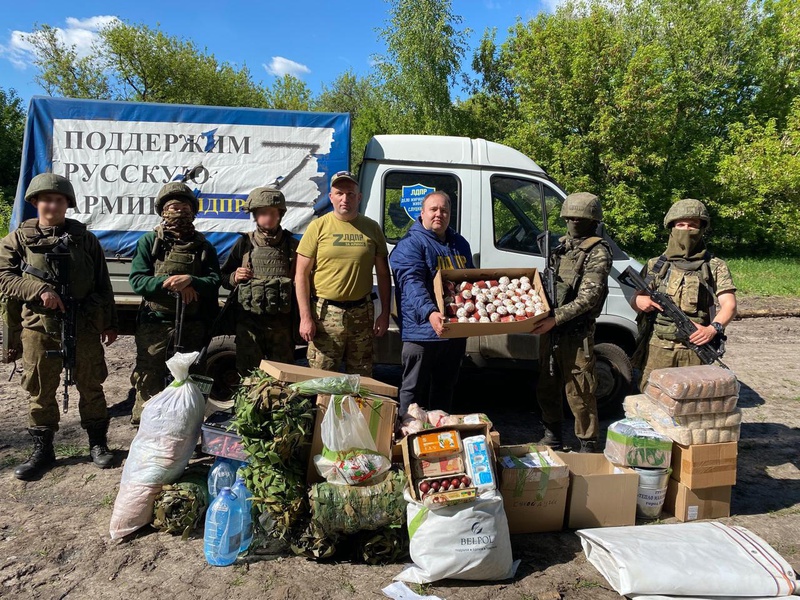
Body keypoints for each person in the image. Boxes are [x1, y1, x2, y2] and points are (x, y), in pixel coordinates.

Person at [0, 173, 118, 479]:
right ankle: (43, 450)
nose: (52, 205)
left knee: (91, 384)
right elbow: (4, 277)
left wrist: (108, 322)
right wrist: (38, 291)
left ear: (67, 204)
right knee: (40, 389)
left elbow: (103, 285)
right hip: (39, 326)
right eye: (46, 199)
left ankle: (97, 443)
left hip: (84, 325)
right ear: (36, 203)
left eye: (59, 200)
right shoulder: (17, 239)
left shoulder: (85, 239)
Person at [128, 181, 221, 424]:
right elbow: (137, 281)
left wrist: (191, 281)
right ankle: (146, 431)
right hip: (155, 326)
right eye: (172, 207)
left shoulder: (203, 247)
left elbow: (213, 281)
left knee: (192, 383)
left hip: (192, 326)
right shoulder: (150, 242)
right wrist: (168, 283)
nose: (178, 212)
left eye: (184, 207)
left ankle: (189, 429)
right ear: (162, 211)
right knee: (149, 380)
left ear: (193, 212)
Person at [531, 192, 612, 453]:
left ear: (592, 220)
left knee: (580, 392)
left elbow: (589, 297)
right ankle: (552, 434)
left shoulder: (598, 252)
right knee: (547, 384)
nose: (574, 222)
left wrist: (556, 318)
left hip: (576, 333)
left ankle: (587, 444)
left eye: (579, 218)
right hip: (552, 329)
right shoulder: (562, 247)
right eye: (570, 217)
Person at [631, 198, 737, 386]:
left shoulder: (714, 266)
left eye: (692, 225)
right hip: (658, 347)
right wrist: (639, 302)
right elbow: (636, 298)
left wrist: (712, 330)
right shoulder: (656, 265)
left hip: (695, 349)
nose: (686, 230)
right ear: (671, 228)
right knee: (653, 399)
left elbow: (729, 305)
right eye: (680, 225)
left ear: (702, 229)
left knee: (693, 401)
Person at [295, 170, 390, 376]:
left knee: (362, 379)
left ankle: (356, 410)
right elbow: (301, 275)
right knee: (323, 379)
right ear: (331, 197)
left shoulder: (372, 228)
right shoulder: (318, 227)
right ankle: (322, 410)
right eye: (339, 193)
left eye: (350, 193)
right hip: (325, 314)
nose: (345, 198)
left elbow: (383, 274)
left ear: (359, 197)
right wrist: (305, 318)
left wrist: (384, 314)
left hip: (362, 314)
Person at [389, 191, 473, 415]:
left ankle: (438, 437)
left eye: (444, 210)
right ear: (422, 213)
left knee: (444, 389)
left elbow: (470, 281)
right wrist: (430, 313)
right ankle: (405, 438)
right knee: (412, 391)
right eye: (433, 210)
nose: (439, 214)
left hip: (453, 331)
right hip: (422, 331)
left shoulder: (460, 244)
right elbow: (411, 284)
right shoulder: (410, 244)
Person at [221, 186, 298, 374]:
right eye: (263, 213)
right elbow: (222, 278)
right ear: (255, 215)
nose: (268, 218)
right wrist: (234, 277)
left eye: (273, 213)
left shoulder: (292, 245)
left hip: (282, 328)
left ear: (280, 214)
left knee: (282, 378)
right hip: (249, 326)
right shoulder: (244, 244)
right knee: (248, 376)